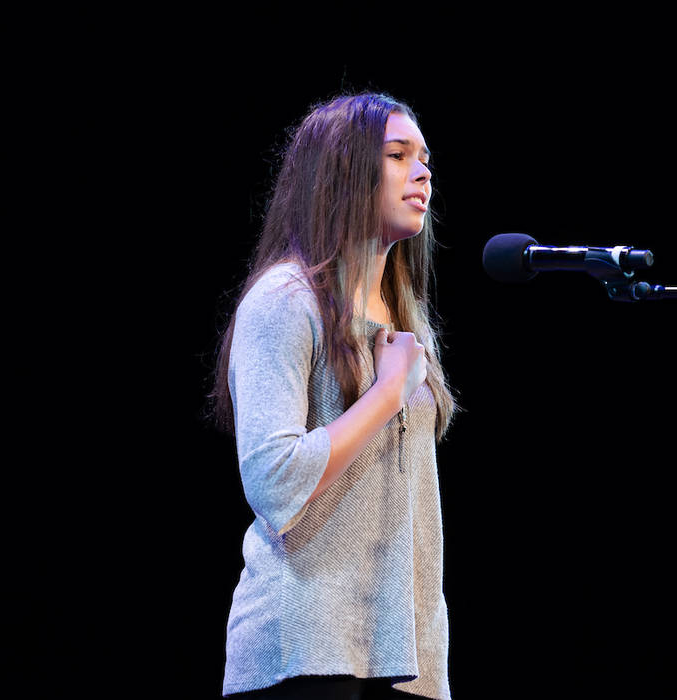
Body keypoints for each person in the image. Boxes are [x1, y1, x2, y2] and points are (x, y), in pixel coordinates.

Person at [209, 93, 457, 699]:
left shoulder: (407, 318)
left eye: (424, 158)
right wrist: (386, 393)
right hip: (304, 648)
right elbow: (274, 480)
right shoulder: (284, 301)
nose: (422, 172)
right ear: (343, 172)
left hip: (403, 654)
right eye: (398, 155)